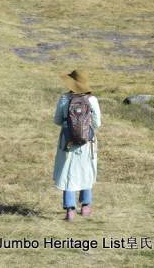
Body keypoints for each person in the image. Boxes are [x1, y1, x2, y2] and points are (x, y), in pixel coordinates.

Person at [53, 70, 101, 221]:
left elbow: (57, 120)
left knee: (68, 173)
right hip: (87, 142)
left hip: (67, 141)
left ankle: (70, 210)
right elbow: (97, 124)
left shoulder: (64, 99)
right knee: (86, 171)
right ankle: (86, 207)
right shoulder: (92, 100)